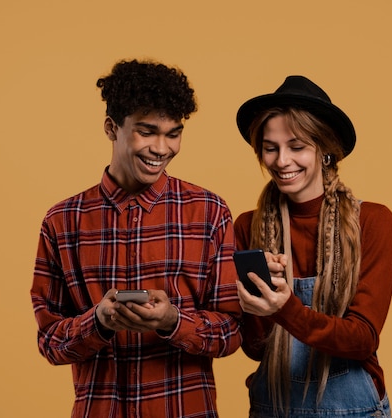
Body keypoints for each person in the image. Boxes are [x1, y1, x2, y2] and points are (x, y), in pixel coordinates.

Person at [30, 59, 242, 418]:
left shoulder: (209, 212)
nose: (161, 148)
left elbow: (232, 331)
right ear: (112, 128)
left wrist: (172, 321)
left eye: (173, 134)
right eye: (147, 131)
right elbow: (50, 342)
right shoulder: (62, 222)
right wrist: (98, 322)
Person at [233, 75, 392, 417]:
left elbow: (362, 339)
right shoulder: (248, 227)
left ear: (325, 150)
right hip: (273, 407)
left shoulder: (372, 221)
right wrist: (259, 304)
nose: (281, 161)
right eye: (270, 147)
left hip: (352, 409)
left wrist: (285, 307)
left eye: (297, 146)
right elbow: (253, 349)